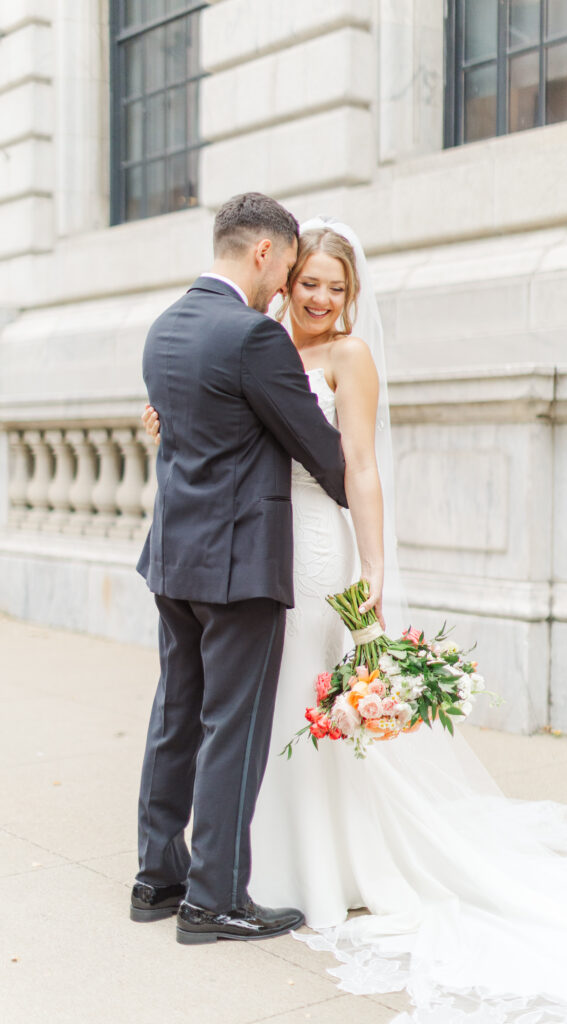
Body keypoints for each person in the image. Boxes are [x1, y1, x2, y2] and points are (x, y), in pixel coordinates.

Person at [143, 220, 567, 1022]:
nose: (320, 298)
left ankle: (287, 870)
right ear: (280, 277)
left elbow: (354, 463)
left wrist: (374, 572)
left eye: (336, 286)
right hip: (247, 549)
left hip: (309, 548)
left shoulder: (346, 357)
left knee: (271, 707)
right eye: (308, 282)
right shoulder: (248, 340)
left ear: (352, 295)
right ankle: (236, 875)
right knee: (241, 713)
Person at [130, 193, 357, 945]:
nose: (287, 287)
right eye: (289, 269)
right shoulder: (254, 338)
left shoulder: (166, 327)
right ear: (263, 253)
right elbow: (320, 451)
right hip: (237, 564)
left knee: (174, 719)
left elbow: (190, 433)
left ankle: (155, 879)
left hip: (173, 558)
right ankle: (212, 901)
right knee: (234, 726)